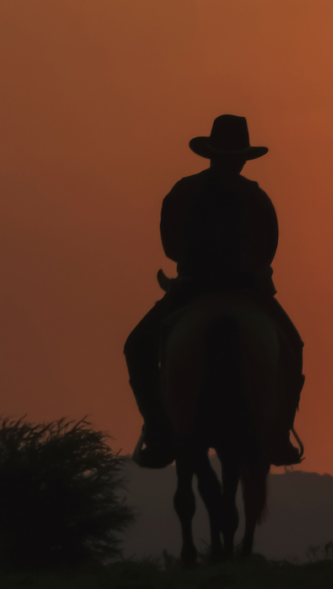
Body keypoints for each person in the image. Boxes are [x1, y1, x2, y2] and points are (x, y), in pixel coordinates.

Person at [124, 114, 304, 469]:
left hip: (192, 290)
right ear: (242, 156)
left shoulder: (184, 191)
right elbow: (269, 248)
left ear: (209, 153)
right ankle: (280, 434)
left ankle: (159, 431)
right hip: (248, 293)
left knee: (137, 346)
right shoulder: (256, 197)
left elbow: (171, 247)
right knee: (293, 348)